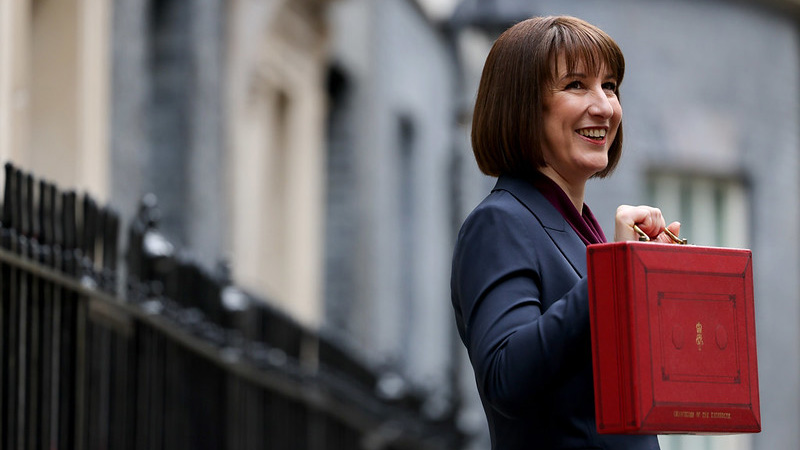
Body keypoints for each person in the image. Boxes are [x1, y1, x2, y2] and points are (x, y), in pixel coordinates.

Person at [450, 16, 681, 449]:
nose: (605, 107)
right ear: (522, 104)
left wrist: (652, 282)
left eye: (610, 86)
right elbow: (506, 376)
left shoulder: (583, 233)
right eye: (576, 85)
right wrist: (614, 273)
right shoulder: (500, 222)